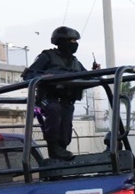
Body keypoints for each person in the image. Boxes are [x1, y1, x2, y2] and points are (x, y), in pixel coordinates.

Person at [22, 26, 91, 160]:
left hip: (67, 101)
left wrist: (94, 73)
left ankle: (61, 151)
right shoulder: (47, 56)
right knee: (54, 111)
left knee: (65, 130)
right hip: (49, 98)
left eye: (75, 41)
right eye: (71, 40)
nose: (74, 44)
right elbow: (29, 75)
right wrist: (46, 77)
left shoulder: (75, 62)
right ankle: (54, 148)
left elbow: (88, 76)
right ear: (61, 41)